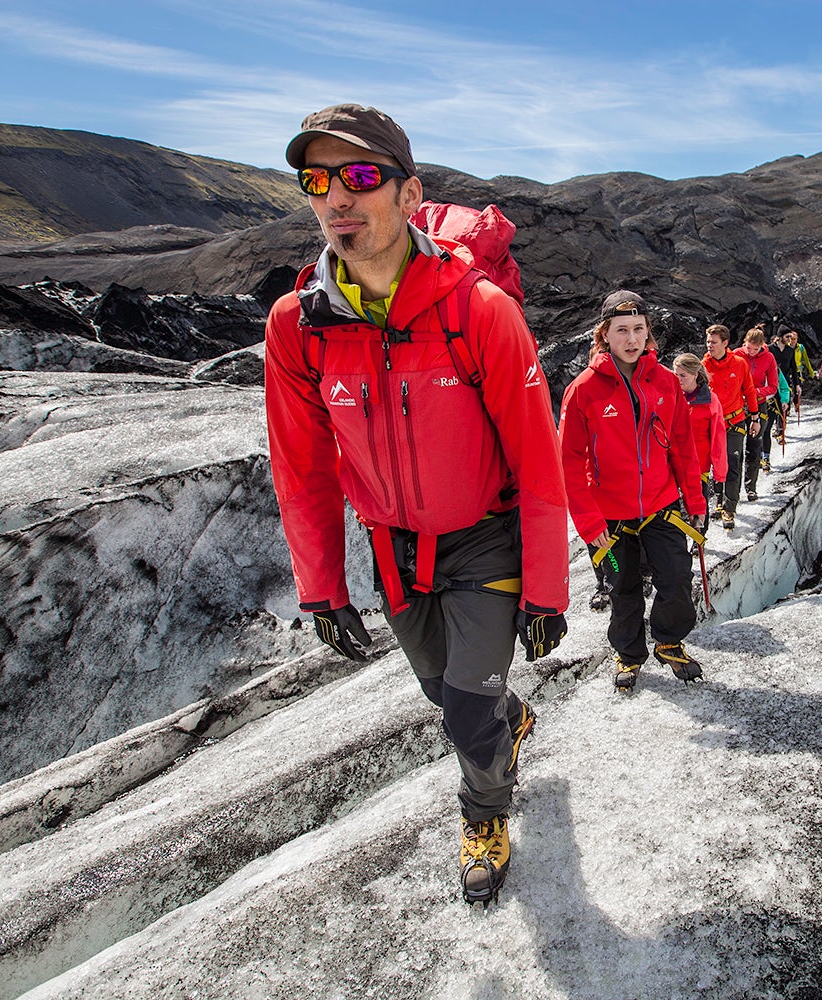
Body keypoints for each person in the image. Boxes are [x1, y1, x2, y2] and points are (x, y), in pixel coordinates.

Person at [264, 104, 569, 906]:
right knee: (449, 693)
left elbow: (539, 462)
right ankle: (511, 717)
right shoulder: (299, 326)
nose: (337, 198)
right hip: (395, 551)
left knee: (466, 720)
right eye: (318, 180)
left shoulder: (478, 311)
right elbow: (302, 469)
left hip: (485, 544)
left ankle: (484, 815)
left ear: (409, 194)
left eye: (361, 177)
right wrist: (323, 585)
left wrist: (547, 588)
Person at [560, 291, 707, 691]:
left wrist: (695, 500)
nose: (631, 338)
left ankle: (669, 640)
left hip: (661, 505)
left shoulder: (665, 382)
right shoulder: (584, 390)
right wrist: (589, 523)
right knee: (622, 590)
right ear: (604, 334)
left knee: (676, 578)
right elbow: (569, 462)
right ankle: (628, 654)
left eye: (638, 329)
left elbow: (682, 445)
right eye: (621, 330)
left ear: (648, 333)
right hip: (609, 518)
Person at [701, 324, 758, 531]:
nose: (709, 346)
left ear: (725, 343)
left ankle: (729, 507)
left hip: (735, 421)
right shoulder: (703, 366)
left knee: (732, 462)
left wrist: (755, 416)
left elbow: (749, 390)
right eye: (707, 341)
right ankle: (718, 499)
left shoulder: (739, 364)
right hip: (711, 423)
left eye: (713, 342)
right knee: (716, 461)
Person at [672, 353, 728, 510]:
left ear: (695, 374)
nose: (678, 379)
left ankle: (701, 533)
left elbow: (718, 437)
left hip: (699, 465)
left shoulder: (711, 400)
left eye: (683, 375)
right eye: (675, 374)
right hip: (672, 463)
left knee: (699, 510)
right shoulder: (671, 397)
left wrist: (719, 471)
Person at [737, 326, 781, 487]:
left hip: (759, 404)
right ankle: (733, 491)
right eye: (748, 348)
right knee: (735, 450)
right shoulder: (736, 355)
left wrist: (754, 392)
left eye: (755, 349)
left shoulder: (769, 358)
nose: (751, 352)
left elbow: (773, 386)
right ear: (744, 343)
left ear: (762, 345)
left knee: (754, 447)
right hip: (738, 405)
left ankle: (751, 487)